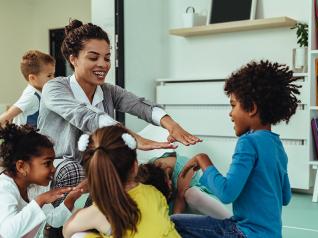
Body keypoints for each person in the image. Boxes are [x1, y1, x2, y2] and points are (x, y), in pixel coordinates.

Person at [37, 19, 201, 203]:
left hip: (97, 164)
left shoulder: (108, 91)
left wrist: (172, 126)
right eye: (93, 58)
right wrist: (131, 138)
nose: (103, 64)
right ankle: (56, 229)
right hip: (59, 165)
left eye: (107, 58)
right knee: (77, 170)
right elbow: (86, 116)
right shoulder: (54, 88)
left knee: (161, 167)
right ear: (73, 59)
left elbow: (140, 105)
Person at [171, 60, 300, 238]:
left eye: (233, 105)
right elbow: (285, 197)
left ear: (252, 108)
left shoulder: (248, 142)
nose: (230, 113)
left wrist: (203, 160)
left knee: (174, 222)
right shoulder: (277, 145)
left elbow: (226, 193)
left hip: (243, 234)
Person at [62, 125, 181, 238]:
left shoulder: (100, 211)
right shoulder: (154, 193)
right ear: (135, 167)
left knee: (78, 236)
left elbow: (66, 231)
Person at [0, 123, 84, 238]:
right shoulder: (4, 188)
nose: (53, 169)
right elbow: (8, 233)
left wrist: (71, 199)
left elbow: (54, 220)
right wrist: (40, 200)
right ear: (21, 166)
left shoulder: (32, 187)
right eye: (47, 163)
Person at [137, 153, 232, 219]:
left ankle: (235, 226)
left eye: (169, 185)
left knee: (191, 194)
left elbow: (176, 219)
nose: (170, 184)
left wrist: (180, 194)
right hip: (168, 212)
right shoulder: (149, 171)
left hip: (196, 211)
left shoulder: (184, 171)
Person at [0, 50, 55, 128]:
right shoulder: (31, 96)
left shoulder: (39, 92)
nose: (53, 79)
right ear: (32, 78)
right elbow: (9, 115)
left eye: (53, 74)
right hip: (22, 139)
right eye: (49, 76)